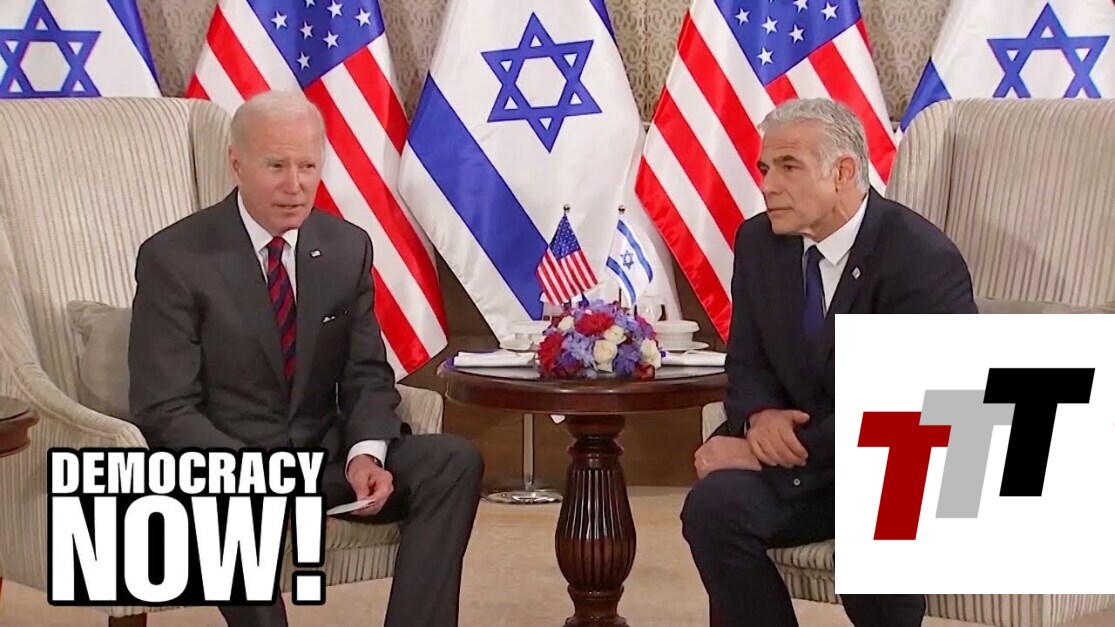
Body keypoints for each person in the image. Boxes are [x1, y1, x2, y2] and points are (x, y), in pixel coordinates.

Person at [128, 90, 483, 627]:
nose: (295, 185)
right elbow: (164, 407)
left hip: (320, 460)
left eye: (308, 166)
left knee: (452, 461)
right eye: (276, 166)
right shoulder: (175, 258)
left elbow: (367, 374)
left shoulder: (345, 248)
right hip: (230, 468)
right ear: (237, 165)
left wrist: (366, 455)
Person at [681, 98, 977, 626]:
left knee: (879, 530)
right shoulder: (759, 242)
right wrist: (760, 418)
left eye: (788, 167)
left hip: (898, 466)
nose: (768, 185)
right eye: (765, 169)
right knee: (713, 508)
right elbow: (747, 360)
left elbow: (912, 408)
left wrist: (766, 455)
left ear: (842, 172)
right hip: (812, 470)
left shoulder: (920, 259)